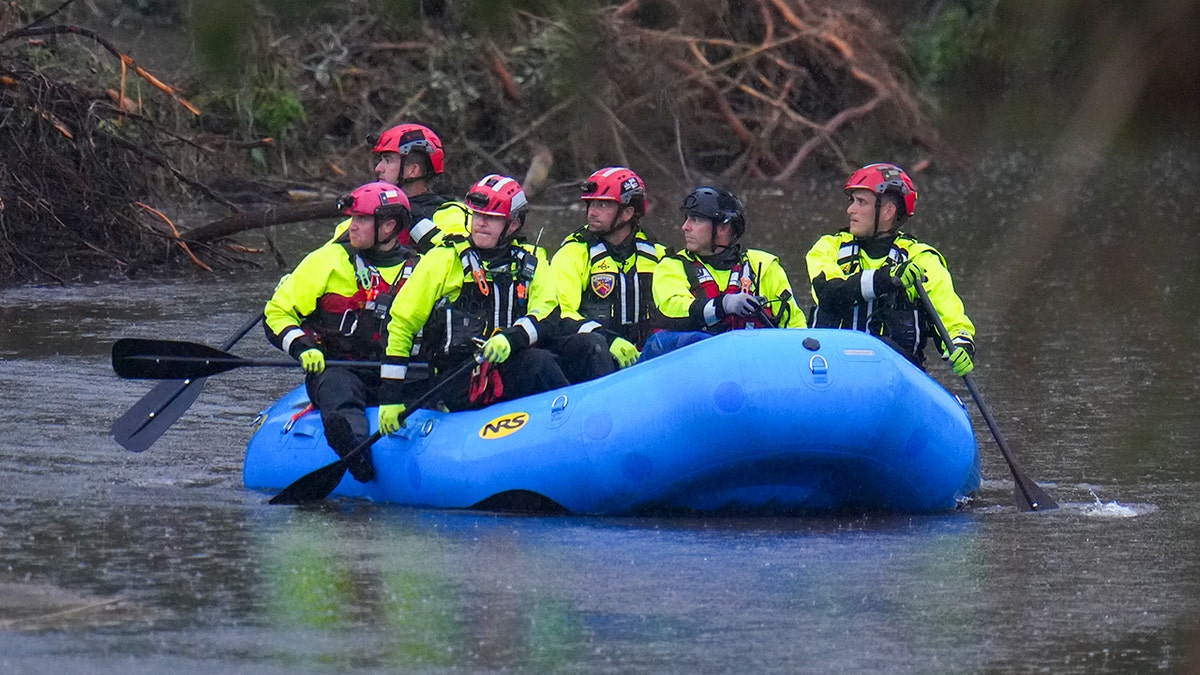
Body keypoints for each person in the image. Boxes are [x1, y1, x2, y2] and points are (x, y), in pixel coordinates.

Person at [377, 174, 568, 431]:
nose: (481, 224)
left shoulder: (531, 261)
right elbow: (401, 324)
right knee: (539, 364)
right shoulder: (444, 260)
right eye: (477, 216)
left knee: (572, 350)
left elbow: (548, 313)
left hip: (510, 362)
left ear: (513, 225)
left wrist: (511, 337)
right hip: (458, 376)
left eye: (492, 219)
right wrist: (390, 398)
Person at [265, 181, 418, 482]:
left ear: (388, 226)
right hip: (340, 367)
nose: (352, 226)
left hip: (399, 371)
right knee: (338, 386)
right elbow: (276, 313)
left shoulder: (423, 269)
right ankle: (355, 451)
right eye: (352, 218)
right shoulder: (328, 261)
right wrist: (302, 345)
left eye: (362, 219)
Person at [805, 162, 975, 374]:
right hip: (830, 371)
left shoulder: (921, 259)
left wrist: (961, 345)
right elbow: (830, 292)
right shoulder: (828, 247)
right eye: (852, 201)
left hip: (894, 377)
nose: (850, 209)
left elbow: (952, 320)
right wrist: (887, 279)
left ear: (887, 212)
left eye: (861, 202)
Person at [642, 186, 806, 360]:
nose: (685, 227)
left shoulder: (764, 265)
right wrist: (723, 305)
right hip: (692, 365)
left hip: (753, 363)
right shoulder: (671, 266)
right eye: (687, 218)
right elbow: (673, 311)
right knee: (691, 340)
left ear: (722, 228)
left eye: (696, 220)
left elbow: (795, 325)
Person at [549, 167, 665, 382]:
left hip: (643, 354)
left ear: (628, 212)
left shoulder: (657, 255)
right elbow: (560, 313)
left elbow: (674, 304)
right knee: (594, 346)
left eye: (602, 205)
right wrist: (607, 339)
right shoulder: (573, 253)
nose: (591, 212)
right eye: (590, 204)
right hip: (592, 355)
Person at [331, 123, 469, 250]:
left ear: (413, 171)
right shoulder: (360, 217)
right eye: (381, 160)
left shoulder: (450, 215)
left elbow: (461, 259)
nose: (379, 168)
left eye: (388, 161)